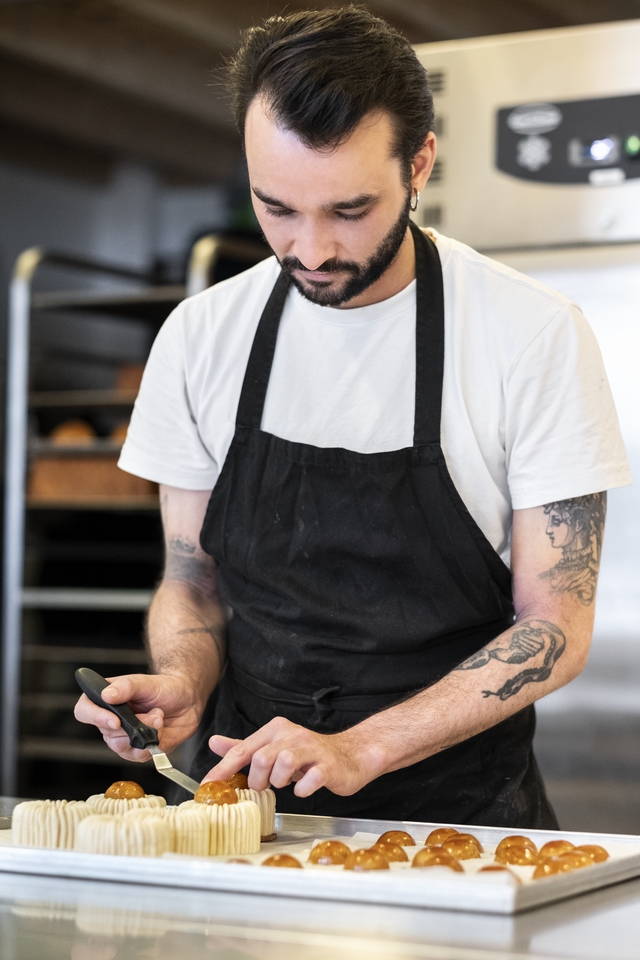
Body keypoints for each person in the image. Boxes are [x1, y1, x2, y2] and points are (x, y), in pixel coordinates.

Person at [75, 7, 631, 827]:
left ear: (420, 164)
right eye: (276, 208)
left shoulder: (531, 334)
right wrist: (185, 681)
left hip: (459, 822)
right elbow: (193, 580)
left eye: (348, 211)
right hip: (242, 812)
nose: (310, 251)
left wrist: (359, 748)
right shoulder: (201, 336)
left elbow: (555, 626)